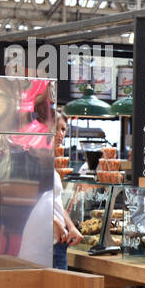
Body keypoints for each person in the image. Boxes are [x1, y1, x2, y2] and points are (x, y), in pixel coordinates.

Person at [52, 110, 82, 269]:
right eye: (55, 129)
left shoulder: (49, 162)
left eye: (63, 129)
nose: (59, 134)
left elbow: (55, 203)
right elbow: (27, 200)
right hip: (46, 243)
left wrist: (71, 227)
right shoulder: (35, 160)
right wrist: (54, 220)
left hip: (59, 242)